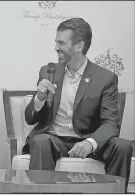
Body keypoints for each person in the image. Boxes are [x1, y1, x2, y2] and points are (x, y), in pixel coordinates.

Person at [23, 17, 132, 190]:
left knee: (123, 146)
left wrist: (91, 142)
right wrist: (39, 98)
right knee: (40, 140)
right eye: (56, 42)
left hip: (87, 138)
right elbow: (30, 119)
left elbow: (111, 123)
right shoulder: (48, 71)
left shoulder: (105, 78)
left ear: (79, 46)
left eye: (61, 43)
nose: (56, 48)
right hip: (55, 139)